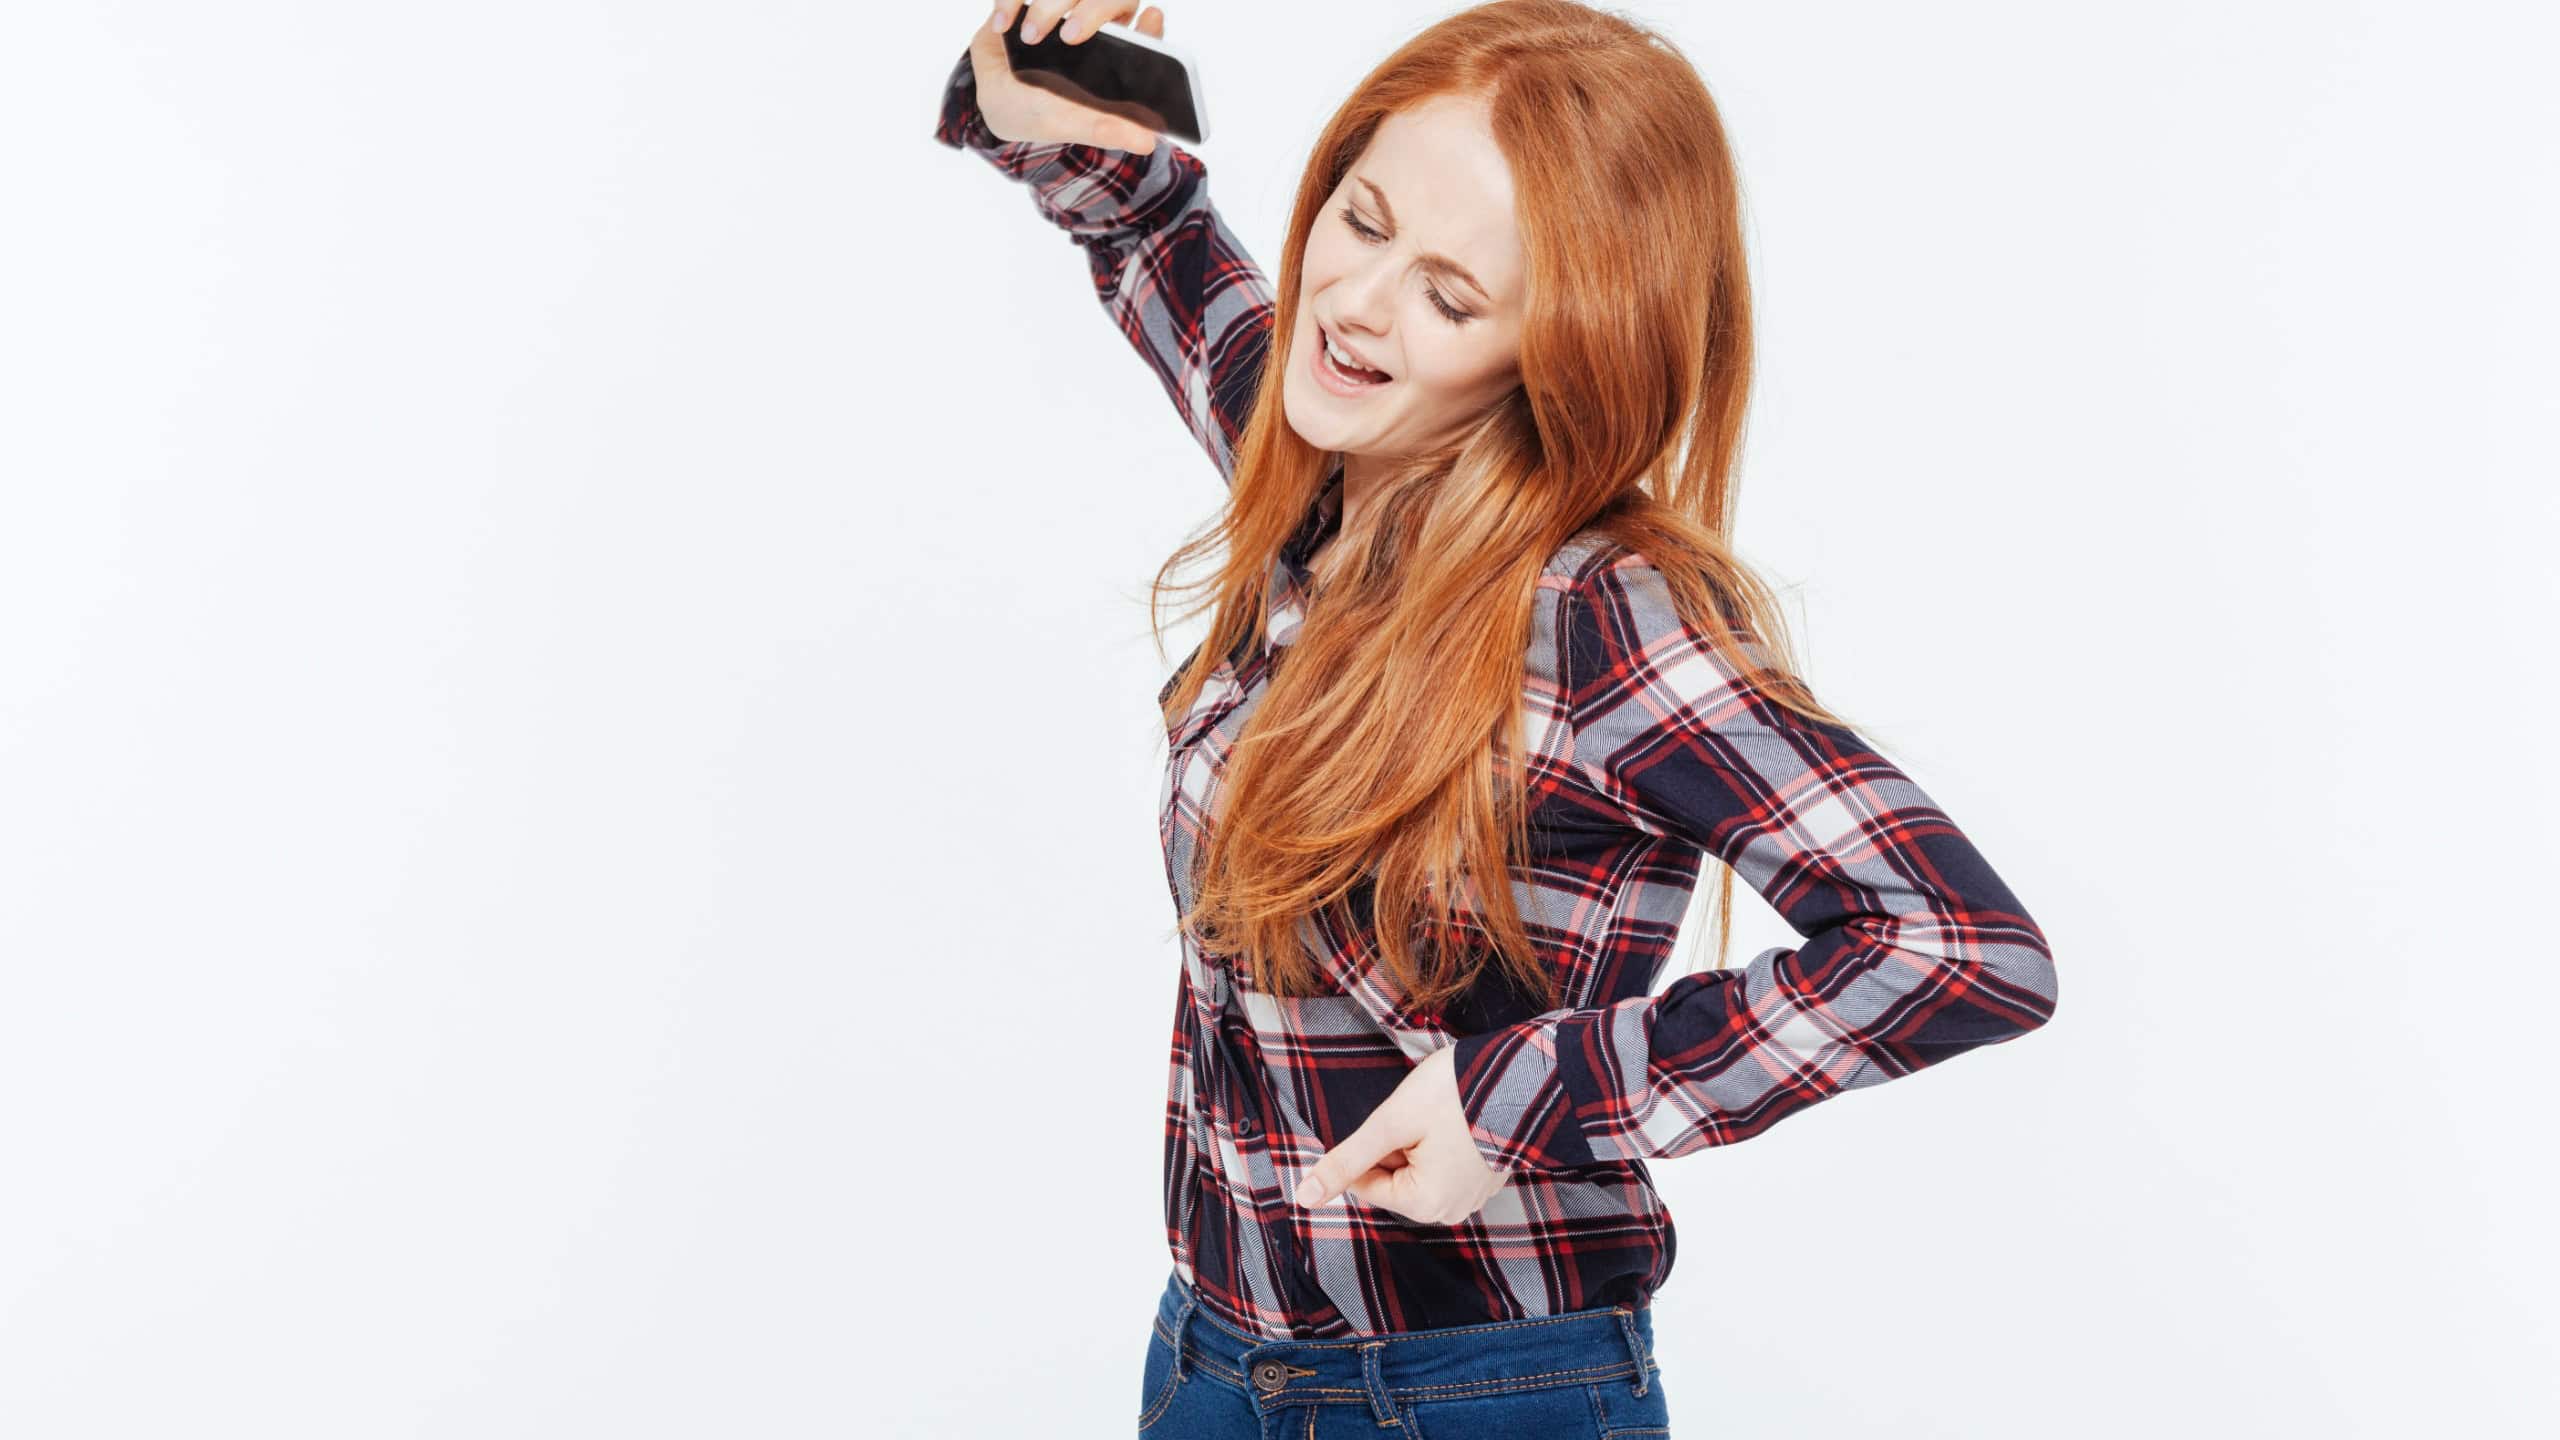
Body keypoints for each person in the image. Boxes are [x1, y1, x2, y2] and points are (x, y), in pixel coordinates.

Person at [936, 3, 2061, 1434]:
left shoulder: (1601, 620)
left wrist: (1521, 1093)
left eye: (1453, 298)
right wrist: (1048, 95)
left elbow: (1959, 949)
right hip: (1215, 1362)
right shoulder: (1327, 469)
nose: (1355, 304)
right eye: (1360, 220)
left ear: (1562, 352)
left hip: (1478, 1396)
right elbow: (1160, 248)